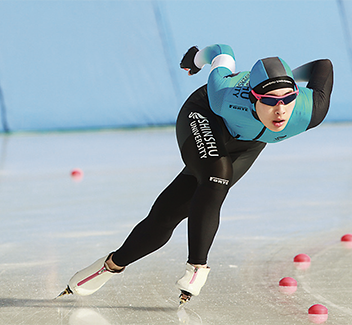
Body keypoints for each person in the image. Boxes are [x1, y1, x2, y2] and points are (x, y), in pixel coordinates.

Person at [58, 44, 334, 304]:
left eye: (288, 99)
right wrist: (194, 59)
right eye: (270, 100)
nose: (281, 110)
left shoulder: (310, 110)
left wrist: (289, 79)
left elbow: (324, 64)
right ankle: (197, 266)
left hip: (247, 144)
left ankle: (111, 265)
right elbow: (221, 52)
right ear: (252, 97)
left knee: (170, 213)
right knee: (217, 176)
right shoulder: (223, 95)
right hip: (204, 115)